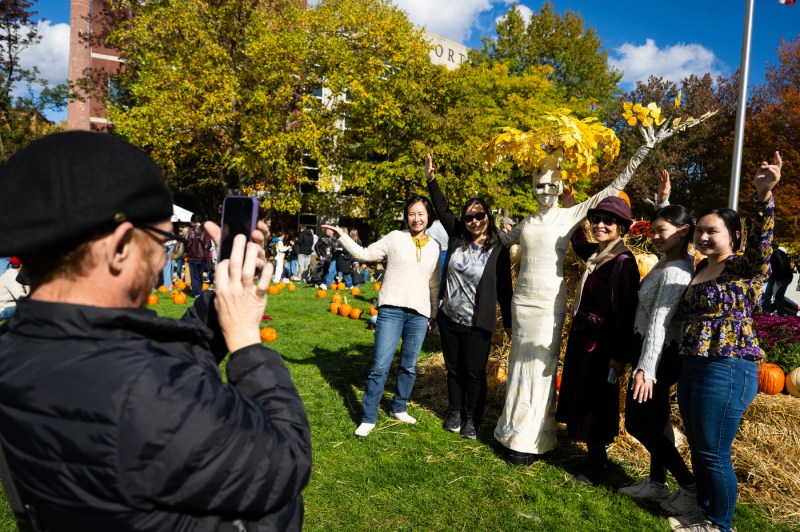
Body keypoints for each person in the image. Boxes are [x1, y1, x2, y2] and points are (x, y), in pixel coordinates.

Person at [0, 131, 311, 531]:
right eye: (163, 241)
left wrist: (223, 299)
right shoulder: (148, 394)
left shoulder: (20, 342)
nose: (164, 256)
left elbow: (156, 362)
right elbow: (286, 460)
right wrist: (248, 343)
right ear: (122, 246)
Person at [494, 143, 650, 465]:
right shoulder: (526, 222)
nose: (545, 190)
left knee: (541, 370)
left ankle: (534, 440)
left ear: (562, 187)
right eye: (539, 184)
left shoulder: (571, 217)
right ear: (531, 187)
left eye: (552, 184)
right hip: (521, 304)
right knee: (519, 366)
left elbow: (613, 188)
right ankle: (510, 431)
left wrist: (641, 151)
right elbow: (500, 243)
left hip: (549, 306)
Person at [669, 152, 781, 532]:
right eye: (699, 230)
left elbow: (764, 244)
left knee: (714, 451)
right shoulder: (701, 267)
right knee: (701, 446)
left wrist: (764, 195)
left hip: (728, 366)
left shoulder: (744, 266)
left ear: (733, 235)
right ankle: (703, 510)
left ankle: (720, 523)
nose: (702, 236)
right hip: (695, 362)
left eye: (711, 230)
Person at [322, 195, 440, 438]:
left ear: (428, 216)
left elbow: (434, 283)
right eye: (411, 213)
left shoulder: (435, 247)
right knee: (380, 364)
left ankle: (399, 406)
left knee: (408, 365)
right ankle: (368, 417)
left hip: (419, 314)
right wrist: (341, 235)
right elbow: (364, 254)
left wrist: (434, 312)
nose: (416, 218)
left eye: (420, 213)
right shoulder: (395, 238)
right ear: (406, 216)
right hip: (391, 310)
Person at [618, 173, 698, 507]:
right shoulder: (670, 259)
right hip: (651, 350)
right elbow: (674, 223)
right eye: (652, 230)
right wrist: (664, 201)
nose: (653, 236)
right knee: (658, 419)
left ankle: (690, 486)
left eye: (660, 232)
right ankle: (656, 483)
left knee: (637, 423)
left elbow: (659, 322)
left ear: (681, 233)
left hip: (659, 355)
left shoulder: (677, 272)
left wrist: (645, 369)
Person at [424, 154, 512, 440]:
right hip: (450, 319)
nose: (474, 221)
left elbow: (504, 289)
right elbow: (441, 207)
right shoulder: (457, 236)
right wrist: (431, 179)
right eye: (469, 217)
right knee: (453, 371)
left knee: (474, 374)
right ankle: (455, 411)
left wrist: (509, 323)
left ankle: (472, 419)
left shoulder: (498, 248)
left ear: (488, 216)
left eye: (479, 215)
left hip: (477, 323)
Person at [555, 196, 640, 484]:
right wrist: (573, 207)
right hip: (584, 339)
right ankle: (594, 457)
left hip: (602, 346)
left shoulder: (623, 262)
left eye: (608, 221)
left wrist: (619, 356)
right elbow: (579, 243)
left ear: (622, 228)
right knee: (584, 396)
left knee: (597, 402)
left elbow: (627, 312)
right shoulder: (597, 254)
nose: (600, 225)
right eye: (596, 220)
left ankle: (595, 464)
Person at [762, 242, 793, 315]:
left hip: (782, 277)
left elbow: (782, 267)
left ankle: (778, 315)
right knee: (770, 295)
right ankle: (765, 312)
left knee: (778, 295)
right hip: (779, 277)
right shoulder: (777, 253)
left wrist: (778, 281)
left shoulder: (776, 254)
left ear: (770, 248)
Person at [186, 213, 212, 297]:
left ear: (194, 221)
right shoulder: (206, 231)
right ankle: (199, 291)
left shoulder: (191, 232)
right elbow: (208, 245)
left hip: (193, 257)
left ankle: (197, 293)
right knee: (200, 276)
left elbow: (188, 244)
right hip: (203, 257)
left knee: (194, 276)